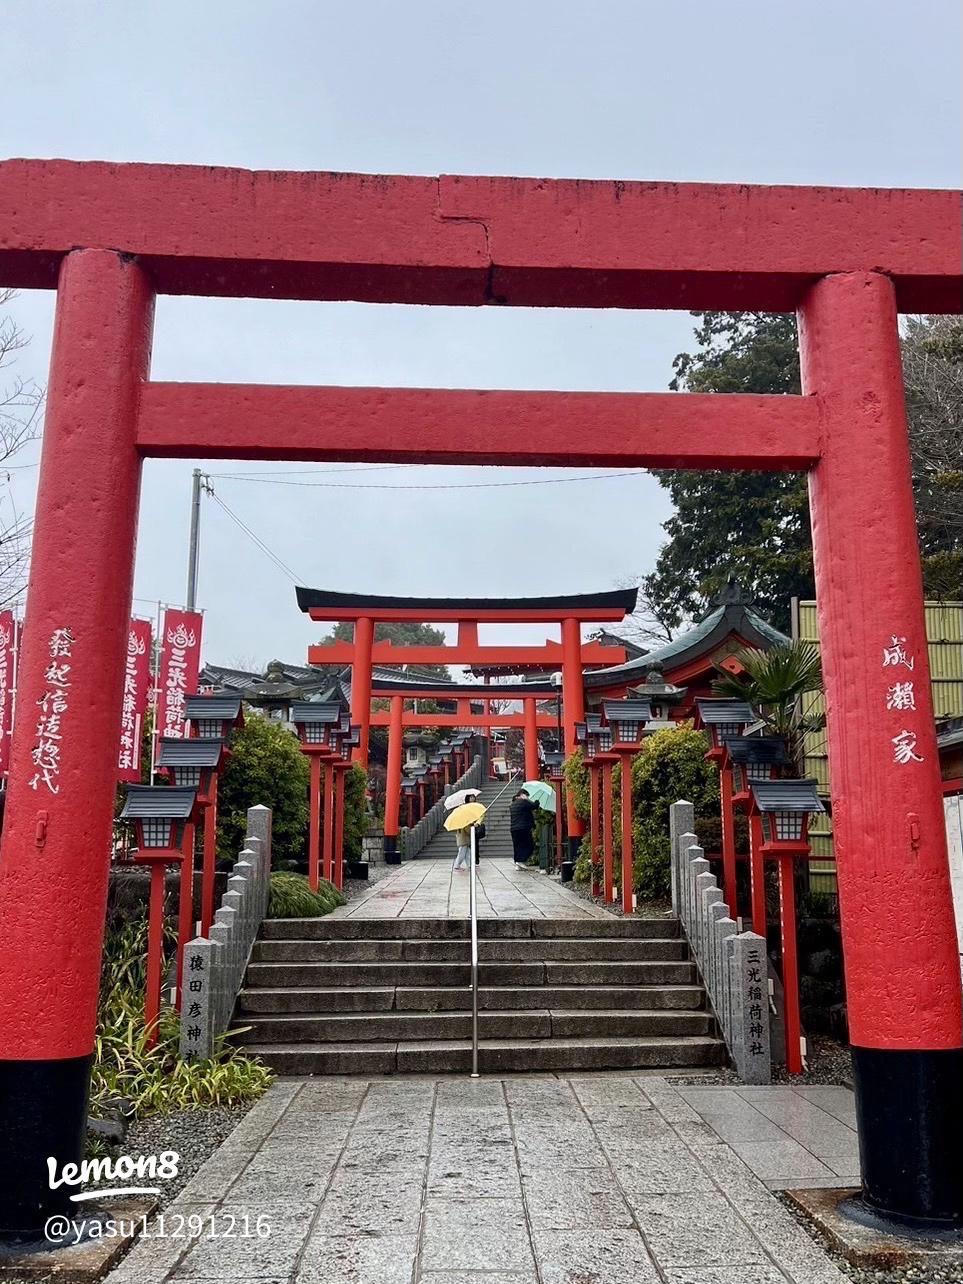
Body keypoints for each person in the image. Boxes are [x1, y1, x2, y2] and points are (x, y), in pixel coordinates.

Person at [509, 789, 539, 865]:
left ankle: (517, 862)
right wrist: (536, 801)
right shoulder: (523, 802)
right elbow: (534, 806)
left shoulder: (513, 804)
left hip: (514, 828)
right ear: (522, 795)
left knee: (517, 846)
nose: (528, 797)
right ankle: (522, 860)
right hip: (523, 827)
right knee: (529, 845)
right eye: (527, 795)